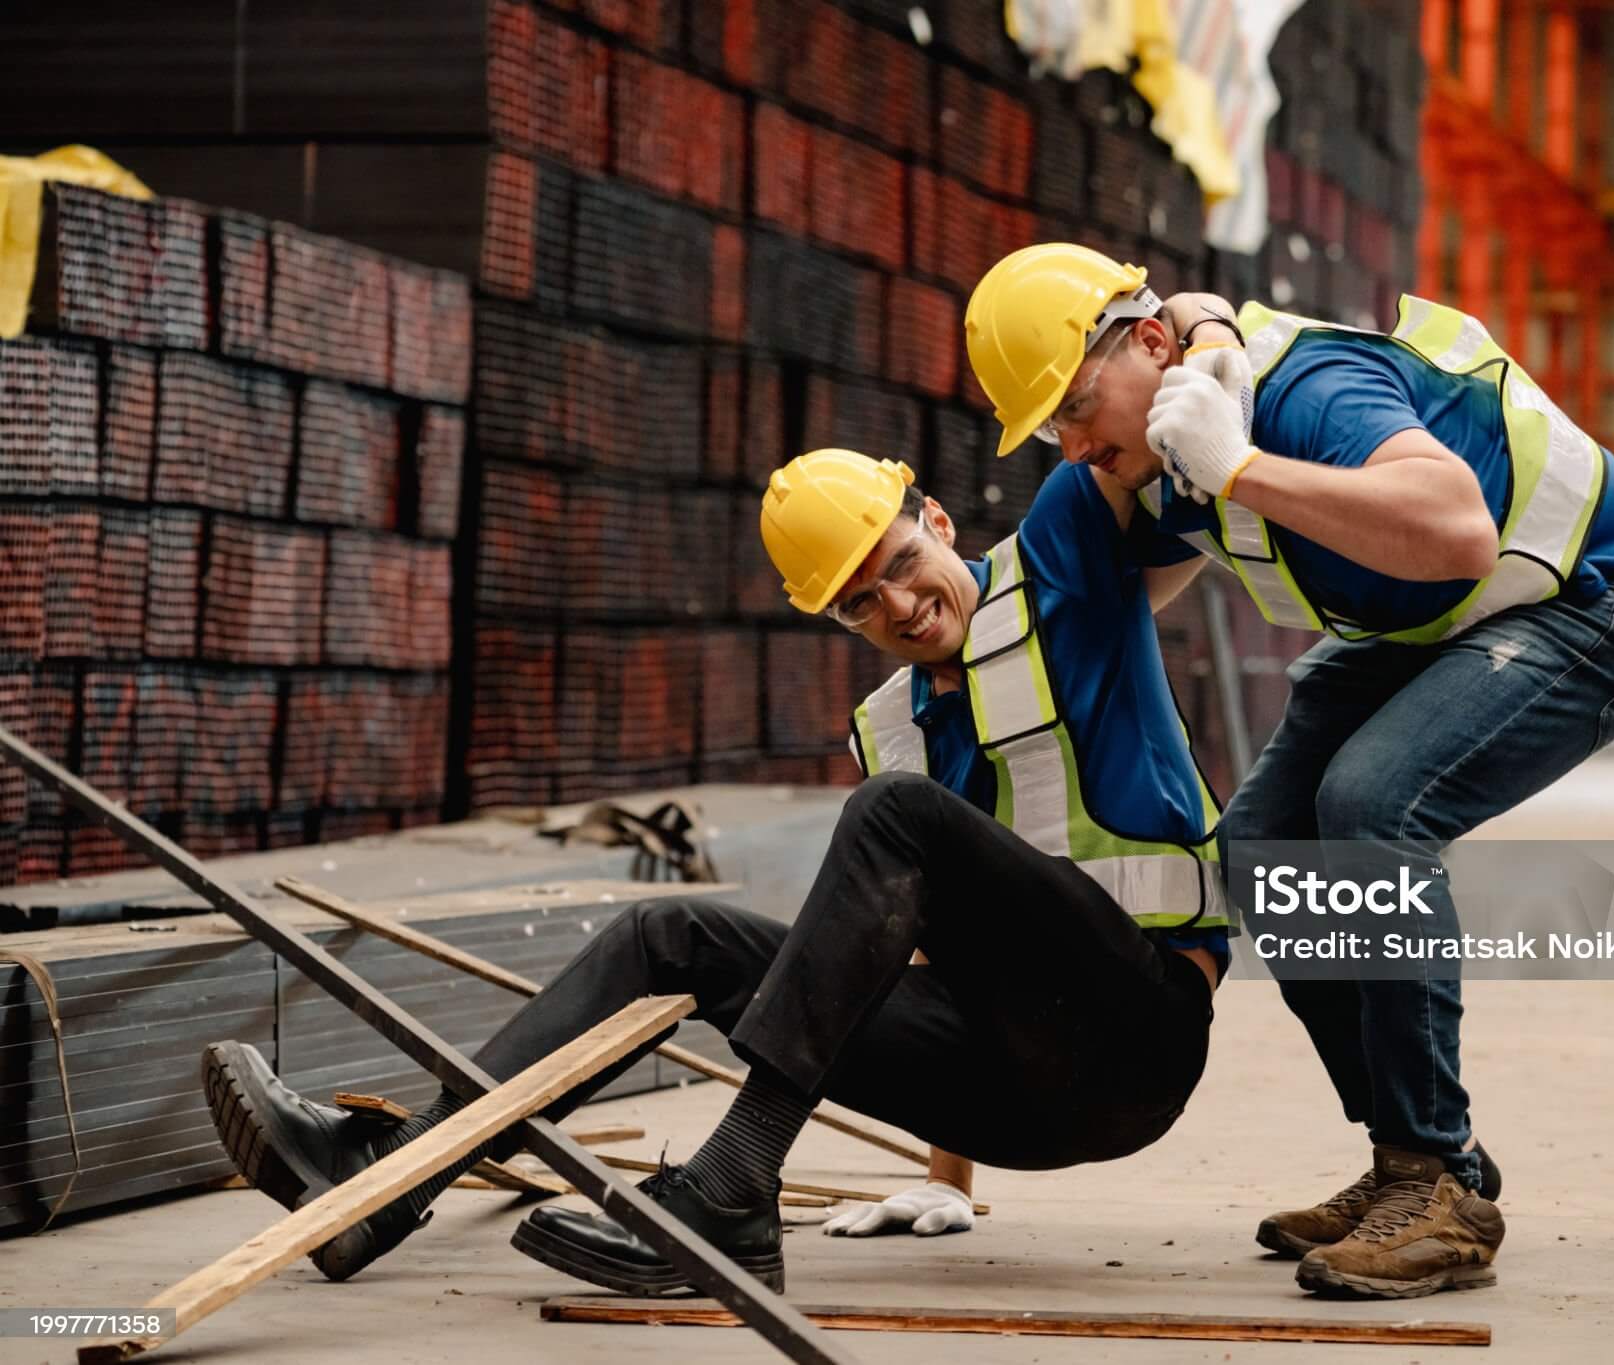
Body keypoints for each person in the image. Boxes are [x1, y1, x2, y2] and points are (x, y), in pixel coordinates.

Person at [198, 446, 1231, 1297]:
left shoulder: (1067, 568)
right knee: (671, 936)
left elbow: (1147, 380)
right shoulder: (895, 731)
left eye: (903, 562)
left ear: (942, 524)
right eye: (860, 605)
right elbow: (930, 960)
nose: (902, 607)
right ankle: (385, 1182)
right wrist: (948, 1182)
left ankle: (732, 1183)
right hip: (1012, 1099)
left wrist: (1205, 329)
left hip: (1135, 1043)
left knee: (895, 817)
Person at [964, 243, 1614, 1300]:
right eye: (1050, 427)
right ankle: (1418, 1162)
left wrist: (1239, 470)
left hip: (1595, 589)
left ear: (1152, 346)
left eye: (1078, 404)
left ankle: (1434, 1183)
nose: (1073, 444)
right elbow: (1066, 601)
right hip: (1436, 617)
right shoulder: (1155, 436)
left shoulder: (1302, 394)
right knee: (1260, 847)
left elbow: (1452, 532)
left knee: (1370, 808)